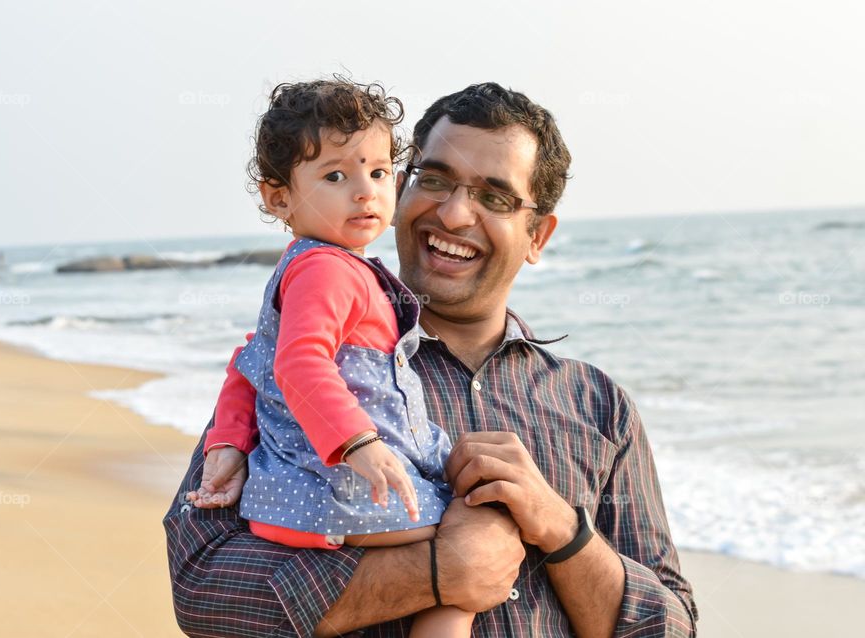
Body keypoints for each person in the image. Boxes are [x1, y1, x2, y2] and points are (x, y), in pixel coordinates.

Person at [165, 82, 699, 638]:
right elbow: (202, 588)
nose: (454, 213)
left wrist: (562, 529)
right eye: (435, 179)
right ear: (401, 189)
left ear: (537, 235)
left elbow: (669, 627)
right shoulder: (318, 366)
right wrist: (435, 574)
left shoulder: (600, 409)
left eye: (495, 197)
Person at [186, 78, 472, 636]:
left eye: (380, 172)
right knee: (477, 544)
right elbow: (299, 364)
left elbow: (253, 361)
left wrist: (227, 441)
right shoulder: (328, 269)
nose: (365, 191)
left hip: (290, 498)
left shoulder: (309, 265)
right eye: (336, 176)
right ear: (278, 198)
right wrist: (358, 443)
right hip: (342, 491)